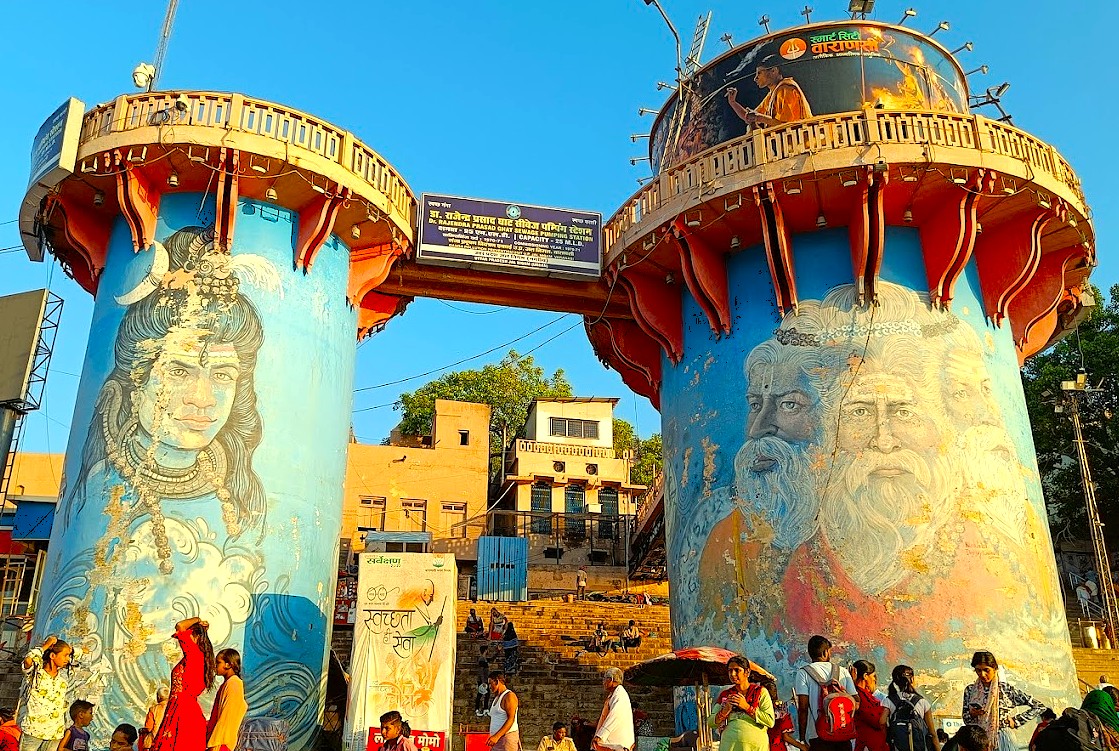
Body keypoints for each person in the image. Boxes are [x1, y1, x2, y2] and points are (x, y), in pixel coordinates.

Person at [151, 617, 217, 751]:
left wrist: (198, 619)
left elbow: (180, 626)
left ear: (197, 637)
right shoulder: (200, 659)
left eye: (190, 634)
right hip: (185, 711)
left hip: (183, 714)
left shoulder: (195, 654)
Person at [961, 651, 1046, 751]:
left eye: (986, 670)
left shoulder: (1006, 690)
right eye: (978, 670)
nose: (982, 674)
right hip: (977, 741)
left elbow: (1039, 706)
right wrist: (972, 714)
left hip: (1001, 739)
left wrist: (1016, 721)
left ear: (995, 669)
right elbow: (966, 719)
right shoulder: (970, 691)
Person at [794, 635, 858, 751]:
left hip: (817, 735)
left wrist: (802, 738)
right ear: (825, 652)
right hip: (843, 733)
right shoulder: (842, 671)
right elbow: (856, 702)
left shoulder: (803, 673)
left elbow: (803, 709)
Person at [725, 56, 812, 132]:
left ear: (774, 70)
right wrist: (733, 102)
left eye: (759, 73)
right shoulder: (772, 95)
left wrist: (759, 118)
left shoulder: (786, 88)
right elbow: (749, 117)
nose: (755, 78)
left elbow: (787, 125)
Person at [18, 635, 74, 751]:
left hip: (54, 733)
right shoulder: (36, 674)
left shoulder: (63, 677)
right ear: (53, 656)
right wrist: (47, 645)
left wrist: (76, 650)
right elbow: (28, 660)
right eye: (65, 655)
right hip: (34, 731)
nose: (67, 659)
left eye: (68, 655)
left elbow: (74, 654)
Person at [711, 656, 775, 751]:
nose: (732, 674)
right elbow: (710, 722)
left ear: (747, 672)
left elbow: (770, 721)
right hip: (730, 745)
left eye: (737, 670)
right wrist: (724, 712)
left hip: (755, 747)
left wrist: (747, 707)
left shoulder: (761, 692)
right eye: (730, 670)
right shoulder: (725, 695)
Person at [880, 665, 940, 751]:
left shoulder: (888, 701)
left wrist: (887, 738)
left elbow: (882, 721)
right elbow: (932, 733)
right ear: (912, 680)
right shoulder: (922, 702)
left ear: (895, 681)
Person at [206, 648, 247, 751]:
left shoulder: (234, 684)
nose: (215, 666)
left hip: (222, 743)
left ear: (228, 664)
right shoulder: (228, 683)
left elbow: (227, 718)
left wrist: (216, 743)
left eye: (218, 663)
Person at [758, 677, 805, 751]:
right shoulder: (782, 714)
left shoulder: (756, 713)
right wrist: (802, 746)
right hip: (777, 747)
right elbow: (786, 737)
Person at [594, 668, 634, 751]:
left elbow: (615, 715)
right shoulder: (614, 694)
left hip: (616, 743)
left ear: (610, 680)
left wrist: (601, 735)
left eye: (605, 679)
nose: (603, 682)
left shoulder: (620, 695)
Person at [851, 661, 887, 751]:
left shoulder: (863, 695)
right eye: (873, 676)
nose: (875, 680)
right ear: (865, 676)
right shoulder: (861, 697)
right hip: (867, 743)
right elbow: (876, 720)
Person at [487, 671, 520, 751]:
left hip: (506, 739)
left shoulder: (509, 696)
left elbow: (511, 719)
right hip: (497, 741)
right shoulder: (497, 698)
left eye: (490, 683)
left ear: (497, 681)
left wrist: (497, 736)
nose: (489, 687)